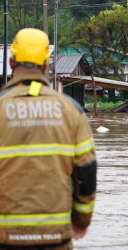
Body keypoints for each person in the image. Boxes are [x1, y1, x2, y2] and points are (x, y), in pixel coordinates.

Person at [0, 28, 97, 249]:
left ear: (12, 62)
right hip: (55, 238)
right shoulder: (71, 111)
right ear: (46, 65)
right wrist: (82, 221)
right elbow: (87, 172)